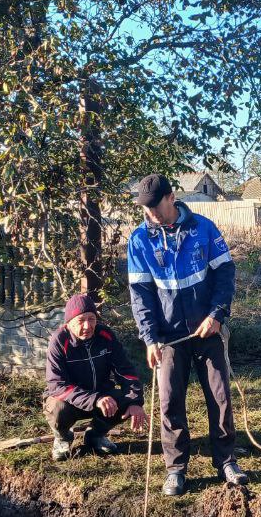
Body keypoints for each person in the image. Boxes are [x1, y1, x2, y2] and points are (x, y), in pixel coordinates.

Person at [127, 173, 248, 496]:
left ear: (171, 198)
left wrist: (217, 314)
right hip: (168, 337)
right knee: (169, 400)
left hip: (206, 330)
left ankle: (226, 460)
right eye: (145, 208)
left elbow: (225, 272)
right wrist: (149, 337)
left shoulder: (203, 229)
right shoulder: (139, 239)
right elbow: (140, 294)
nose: (150, 213)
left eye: (155, 206)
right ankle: (176, 468)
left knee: (220, 396)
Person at [45, 294, 148, 461]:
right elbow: (57, 385)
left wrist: (135, 402)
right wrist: (95, 399)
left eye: (91, 319)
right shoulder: (59, 341)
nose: (87, 326)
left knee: (124, 399)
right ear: (69, 323)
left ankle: (95, 435)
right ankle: (63, 438)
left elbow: (126, 371)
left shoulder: (105, 335)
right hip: (71, 400)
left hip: (101, 394)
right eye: (81, 320)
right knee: (57, 406)